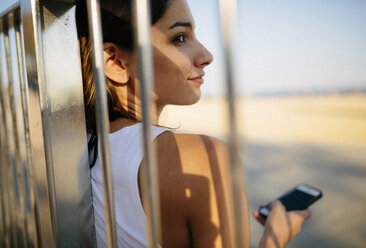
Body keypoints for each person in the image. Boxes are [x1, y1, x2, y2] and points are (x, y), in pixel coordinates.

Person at [76, 0, 312, 247]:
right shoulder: (204, 157)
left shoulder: (79, 152)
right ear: (115, 63)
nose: (206, 56)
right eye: (179, 37)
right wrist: (276, 237)